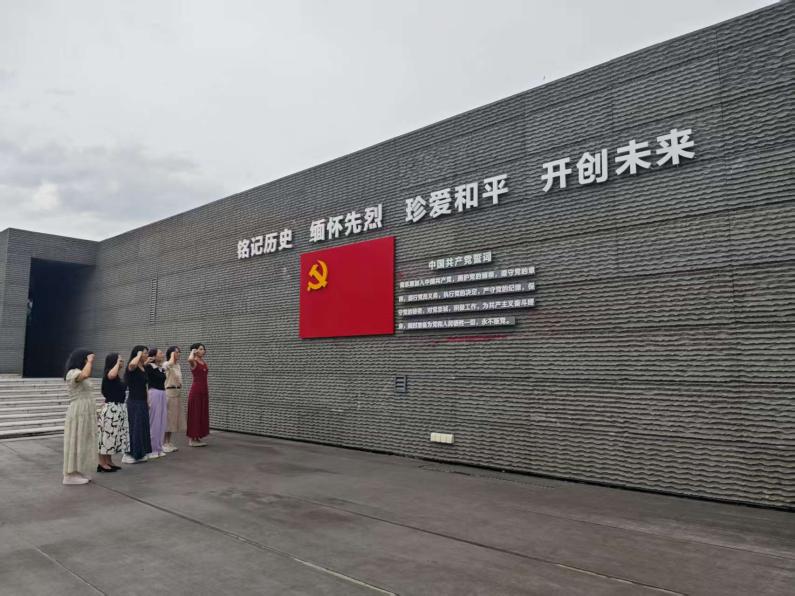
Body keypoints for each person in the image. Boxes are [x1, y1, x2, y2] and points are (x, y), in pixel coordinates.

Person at [63, 349, 98, 485]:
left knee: (84, 440)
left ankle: (79, 470)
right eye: (86, 359)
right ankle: (70, 474)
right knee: (76, 439)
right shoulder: (73, 373)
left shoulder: (79, 372)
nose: (89, 362)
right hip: (78, 411)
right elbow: (84, 374)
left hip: (86, 411)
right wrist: (89, 361)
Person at [97, 353, 128, 472]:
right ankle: (102, 463)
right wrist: (116, 364)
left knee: (112, 437)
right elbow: (111, 375)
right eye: (119, 359)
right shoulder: (109, 374)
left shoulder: (117, 376)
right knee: (106, 437)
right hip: (111, 409)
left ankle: (109, 461)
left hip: (118, 408)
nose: (122, 361)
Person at [122, 345, 152, 464]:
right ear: (138, 353)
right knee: (135, 428)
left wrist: (147, 400)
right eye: (145, 353)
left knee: (142, 427)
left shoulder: (143, 367)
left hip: (142, 401)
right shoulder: (132, 366)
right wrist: (139, 355)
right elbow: (132, 364)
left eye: (147, 353)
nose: (146, 355)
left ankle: (140, 453)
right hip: (134, 402)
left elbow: (145, 386)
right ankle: (129, 454)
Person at [146, 348, 168, 458]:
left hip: (163, 394)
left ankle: (159, 447)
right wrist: (147, 361)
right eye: (160, 353)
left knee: (162, 421)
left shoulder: (161, 368)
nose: (162, 354)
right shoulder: (149, 367)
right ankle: (151, 449)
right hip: (153, 393)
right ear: (154, 356)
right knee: (154, 421)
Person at [186, 342, 210, 447]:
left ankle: (198, 437)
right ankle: (192, 439)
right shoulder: (194, 362)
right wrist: (192, 352)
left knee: (201, 414)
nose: (203, 351)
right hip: (196, 391)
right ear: (195, 351)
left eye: (203, 349)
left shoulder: (203, 362)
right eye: (200, 349)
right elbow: (189, 359)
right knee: (195, 414)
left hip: (204, 391)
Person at [163, 346, 183, 452]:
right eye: (176, 352)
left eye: (179, 352)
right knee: (168, 419)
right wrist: (171, 356)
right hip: (169, 393)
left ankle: (168, 441)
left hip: (177, 392)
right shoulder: (166, 364)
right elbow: (168, 365)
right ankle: (164, 443)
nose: (178, 354)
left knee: (173, 419)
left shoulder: (178, 365)